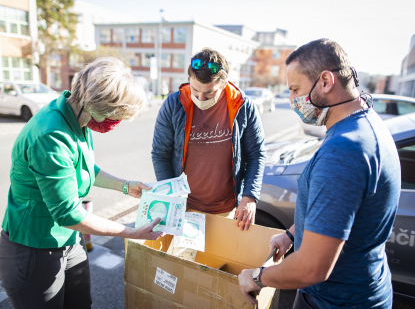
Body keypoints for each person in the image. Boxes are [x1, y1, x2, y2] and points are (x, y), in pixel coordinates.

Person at [238, 39, 400, 308]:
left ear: (325, 81)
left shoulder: (344, 151)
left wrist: (256, 277)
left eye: (295, 89)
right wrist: (291, 235)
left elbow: (312, 268)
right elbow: (340, 213)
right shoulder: (366, 124)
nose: (291, 100)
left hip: (333, 301)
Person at [0, 57, 163, 309]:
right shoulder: (52, 135)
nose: (116, 123)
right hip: (33, 247)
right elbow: (67, 213)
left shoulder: (77, 113)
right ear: (97, 103)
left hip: (68, 240)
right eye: (115, 115)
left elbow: (83, 167)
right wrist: (130, 233)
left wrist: (125, 185)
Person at [151, 48, 266, 230]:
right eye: (195, 90)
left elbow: (256, 154)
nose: (200, 98)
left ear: (224, 83)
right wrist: (171, 196)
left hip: (226, 209)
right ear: (189, 79)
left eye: (210, 93)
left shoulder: (243, 106)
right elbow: (160, 154)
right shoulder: (174, 104)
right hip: (183, 207)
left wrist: (250, 196)